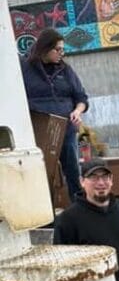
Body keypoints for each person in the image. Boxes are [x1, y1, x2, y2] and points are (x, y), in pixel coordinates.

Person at [20, 28, 89, 202]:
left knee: (73, 171)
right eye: (57, 49)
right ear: (45, 49)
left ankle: (79, 208)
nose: (61, 53)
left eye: (63, 50)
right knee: (43, 173)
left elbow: (81, 97)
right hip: (40, 131)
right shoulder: (23, 69)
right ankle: (46, 216)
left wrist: (77, 111)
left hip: (65, 129)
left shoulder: (65, 70)